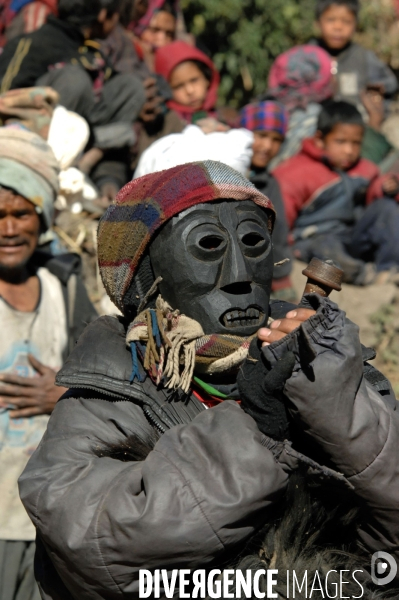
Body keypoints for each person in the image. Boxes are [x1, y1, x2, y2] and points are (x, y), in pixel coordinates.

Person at [18, 161, 399, 599]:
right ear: (147, 281)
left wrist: (339, 408)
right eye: (207, 246)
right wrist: (256, 425)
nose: (239, 274)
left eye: (254, 242)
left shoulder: (325, 365)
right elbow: (94, 549)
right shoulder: (108, 391)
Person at [0, 126, 97, 600]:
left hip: (48, 514)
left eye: (22, 213)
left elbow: (111, 382)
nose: (10, 229)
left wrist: (64, 394)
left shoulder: (64, 288)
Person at [0, 0, 146, 201]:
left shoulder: (93, 55)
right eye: (116, 16)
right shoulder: (28, 45)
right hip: (27, 152)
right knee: (75, 81)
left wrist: (109, 179)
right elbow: (5, 100)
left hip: (87, 155)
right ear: (103, 15)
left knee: (130, 88)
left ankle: (92, 176)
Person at [273, 100, 399, 285]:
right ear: (319, 139)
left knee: (386, 209)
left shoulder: (364, 168)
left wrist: (386, 187)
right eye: (340, 142)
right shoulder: (296, 173)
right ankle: (360, 276)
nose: (349, 151)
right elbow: (281, 218)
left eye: (356, 143)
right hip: (313, 239)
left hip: (349, 237)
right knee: (327, 250)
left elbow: (373, 192)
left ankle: (389, 268)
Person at [240, 100, 295, 302]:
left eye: (276, 139)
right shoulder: (225, 165)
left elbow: (278, 231)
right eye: (261, 136)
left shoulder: (269, 184)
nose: (267, 146)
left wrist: (280, 277)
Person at [313, 0, 397, 108]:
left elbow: (389, 85)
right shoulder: (306, 57)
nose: (338, 27)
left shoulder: (364, 57)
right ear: (318, 23)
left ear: (355, 25)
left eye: (347, 21)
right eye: (331, 20)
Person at [154, 40, 220, 124]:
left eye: (194, 80)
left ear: (206, 78)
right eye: (178, 86)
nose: (190, 91)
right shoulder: (165, 123)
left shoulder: (225, 117)